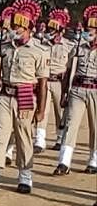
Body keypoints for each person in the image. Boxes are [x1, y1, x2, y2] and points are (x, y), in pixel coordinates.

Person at [0, 0, 47, 194]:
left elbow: (42, 84)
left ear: (27, 28)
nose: (14, 29)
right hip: (5, 96)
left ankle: (25, 176)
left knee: (24, 138)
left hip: (25, 97)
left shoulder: (39, 51)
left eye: (17, 26)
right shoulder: (4, 47)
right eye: (13, 25)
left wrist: (40, 110)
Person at [53, 5, 97, 175]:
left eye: (91, 29)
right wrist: (64, 93)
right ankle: (64, 161)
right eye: (87, 29)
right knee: (71, 124)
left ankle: (93, 159)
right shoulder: (78, 48)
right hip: (77, 89)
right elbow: (68, 72)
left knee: (95, 126)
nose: (88, 32)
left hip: (95, 90)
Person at [42, 9, 76, 152]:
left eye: (54, 29)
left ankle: (59, 138)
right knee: (42, 109)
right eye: (49, 29)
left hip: (59, 81)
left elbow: (71, 67)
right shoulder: (43, 43)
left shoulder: (69, 45)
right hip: (45, 79)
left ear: (60, 31)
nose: (50, 31)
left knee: (60, 111)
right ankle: (39, 140)